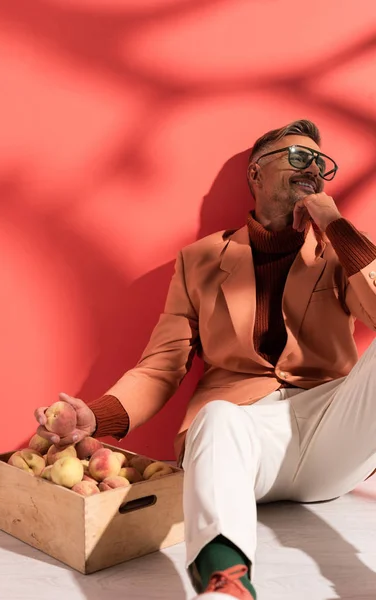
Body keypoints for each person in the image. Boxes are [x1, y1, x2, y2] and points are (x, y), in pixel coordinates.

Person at [35, 120, 376, 599]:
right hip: (243, 442)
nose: (314, 169)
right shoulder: (199, 261)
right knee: (216, 416)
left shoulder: (338, 249)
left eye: (322, 163)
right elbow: (162, 364)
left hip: (330, 431)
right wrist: (96, 415)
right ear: (256, 175)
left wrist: (336, 224)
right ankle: (225, 584)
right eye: (299, 157)